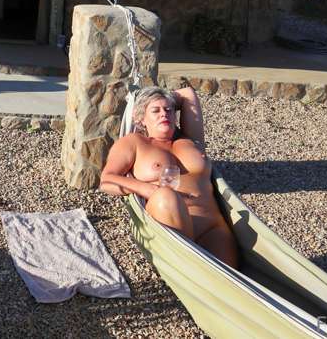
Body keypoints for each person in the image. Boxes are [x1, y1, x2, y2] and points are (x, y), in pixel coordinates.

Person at [99, 86, 238, 268]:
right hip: (170, 223)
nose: (163, 114)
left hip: (211, 226)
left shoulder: (190, 140)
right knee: (166, 196)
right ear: (141, 118)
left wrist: (162, 97)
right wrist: (148, 189)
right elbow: (106, 180)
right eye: (155, 111)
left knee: (227, 277)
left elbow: (188, 93)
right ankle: (186, 262)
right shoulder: (134, 142)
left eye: (168, 110)